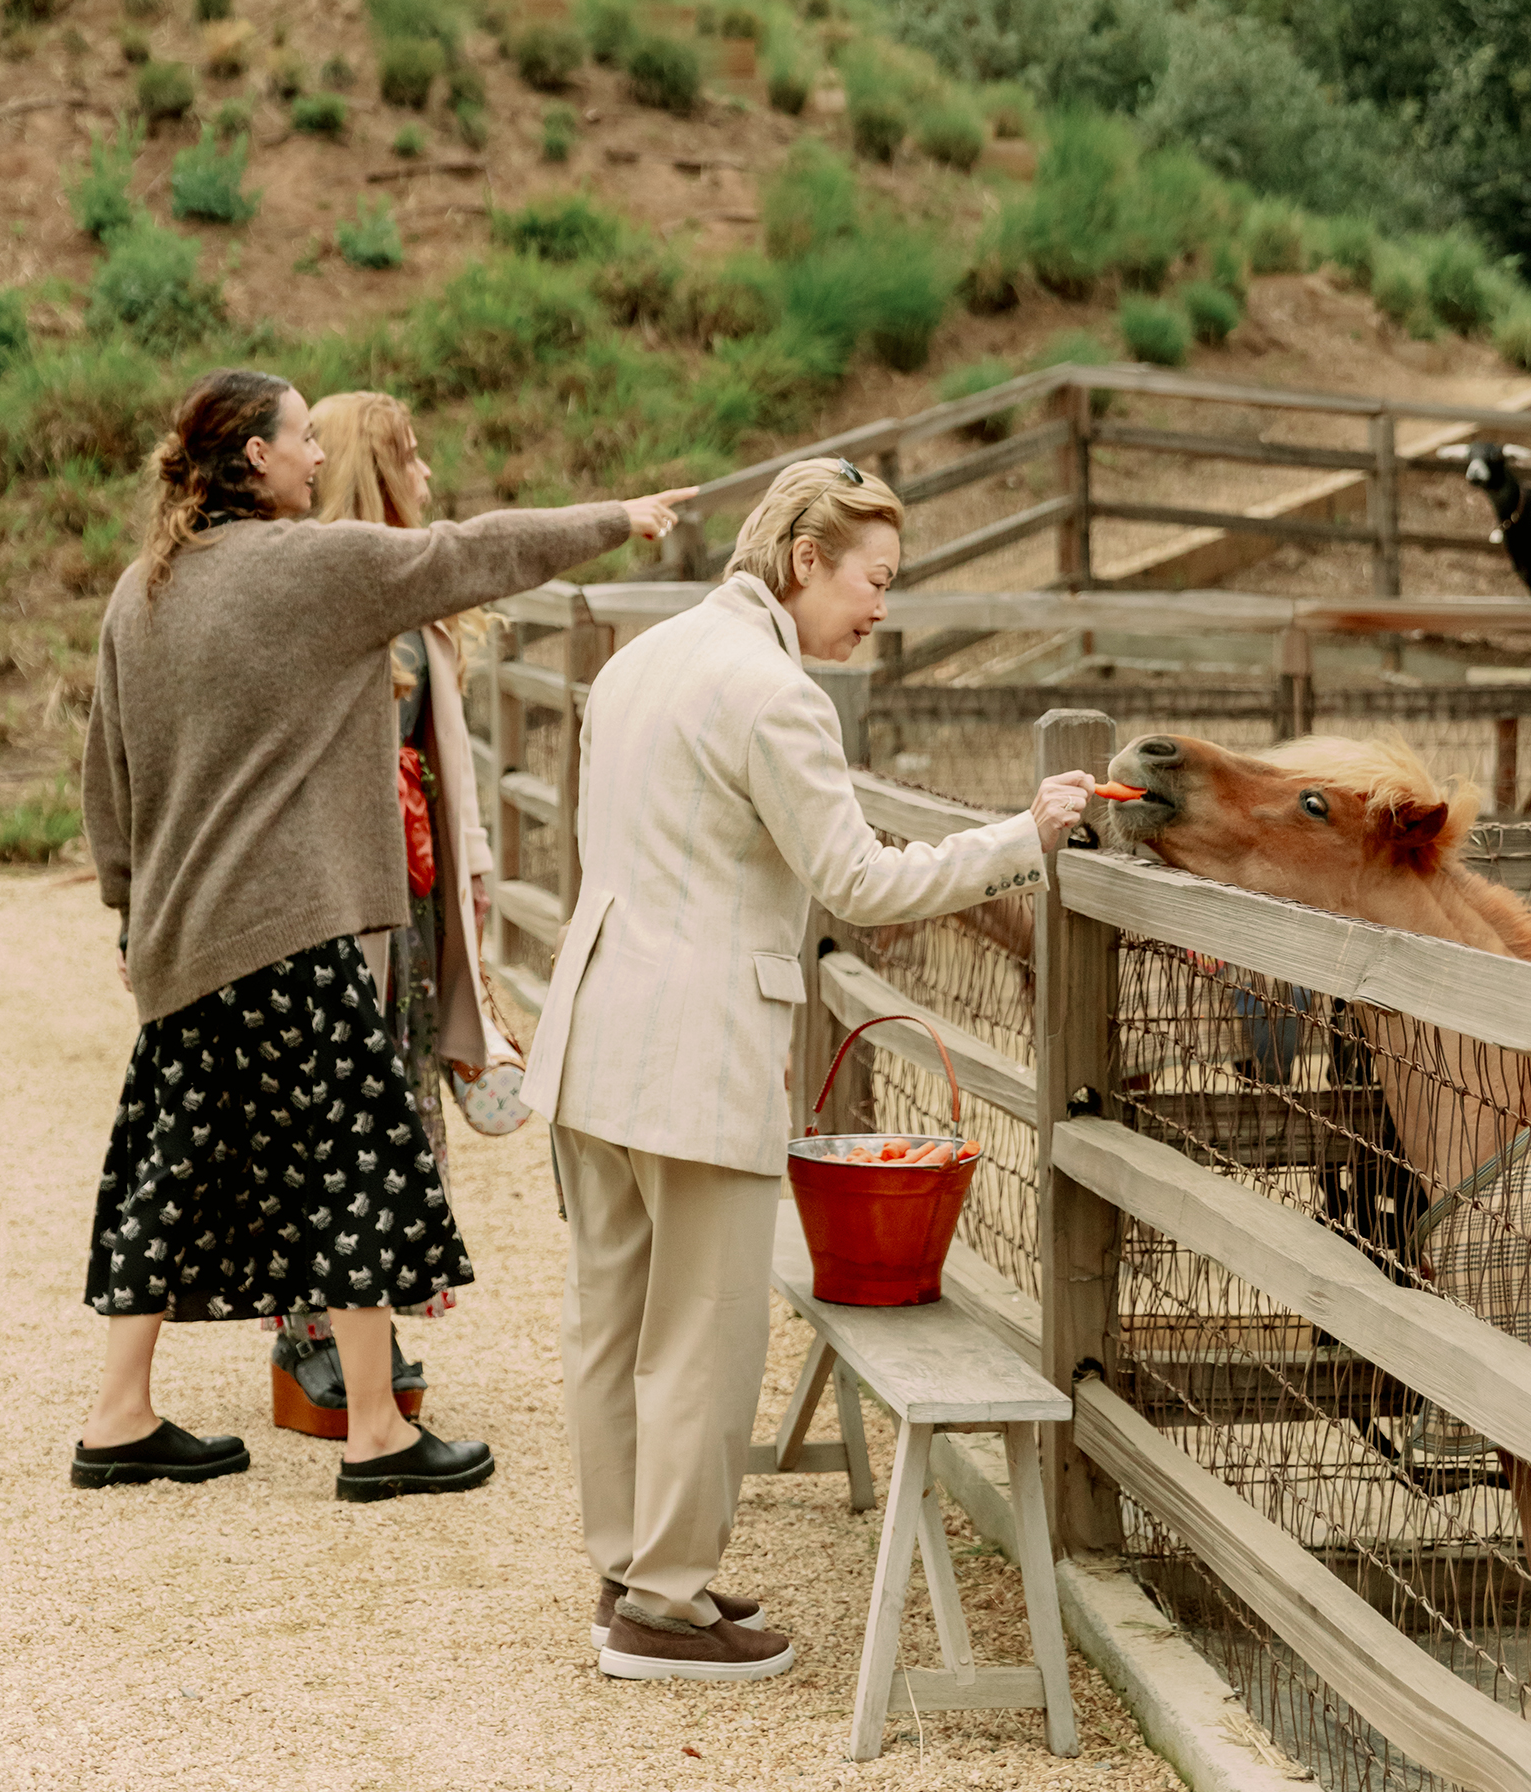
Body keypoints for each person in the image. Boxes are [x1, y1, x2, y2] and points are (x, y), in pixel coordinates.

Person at [71, 365, 692, 1502]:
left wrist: (128, 910)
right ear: (253, 458)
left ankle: (118, 1415)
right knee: (353, 1160)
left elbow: (105, 780)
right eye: (301, 438)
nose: (317, 455)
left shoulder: (137, 593)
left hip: (180, 941)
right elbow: (469, 553)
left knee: (165, 1168)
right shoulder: (312, 570)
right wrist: (617, 518)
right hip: (292, 928)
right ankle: (373, 1433)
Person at [521, 455, 1095, 1679]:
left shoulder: (639, 663)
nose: (880, 609)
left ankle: (631, 1567)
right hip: (695, 1043)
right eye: (871, 581)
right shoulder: (776, 698)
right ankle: (664, 1609)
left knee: (609, 1318)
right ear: (801, 563)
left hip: (596, 1027)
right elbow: (859, 884)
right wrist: (1022, 838)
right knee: (702, 1330)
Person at [265, 390, 507, 1436]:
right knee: (328, 1106)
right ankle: (307, 1330)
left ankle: (360, 1317)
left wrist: (474, 868)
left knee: (391, 1105)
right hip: (333, 889)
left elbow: (447, 760)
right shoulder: (317, 593)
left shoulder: (413, 604)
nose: (426, 479)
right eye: (410, 461)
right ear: (376, 468)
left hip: (406, 893)